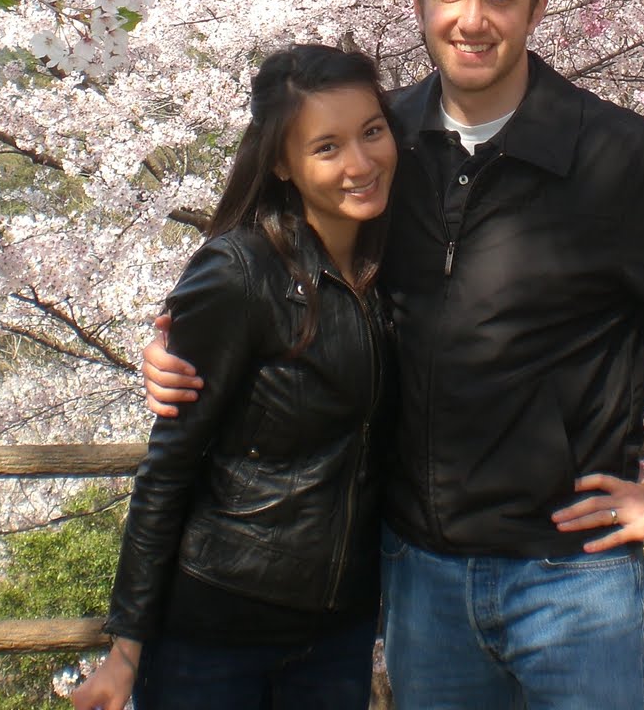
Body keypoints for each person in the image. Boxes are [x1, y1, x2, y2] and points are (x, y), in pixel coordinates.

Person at [145, 0, 644, 709]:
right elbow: (286, 265)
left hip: (570, 580)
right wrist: (183, 350)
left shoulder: (616, 161)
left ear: (536, 6)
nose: (472, 19)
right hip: (419, 577)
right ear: (420, 1)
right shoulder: (383, 148)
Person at [70, 44, 398, 710]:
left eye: (373, 132)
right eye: (327, 148)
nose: (361, 164)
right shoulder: (240, 273)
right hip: (218, 627)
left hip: (339, 631)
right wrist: (126, 646)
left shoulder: (399, 267)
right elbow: (169, 467)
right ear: (281, 162)